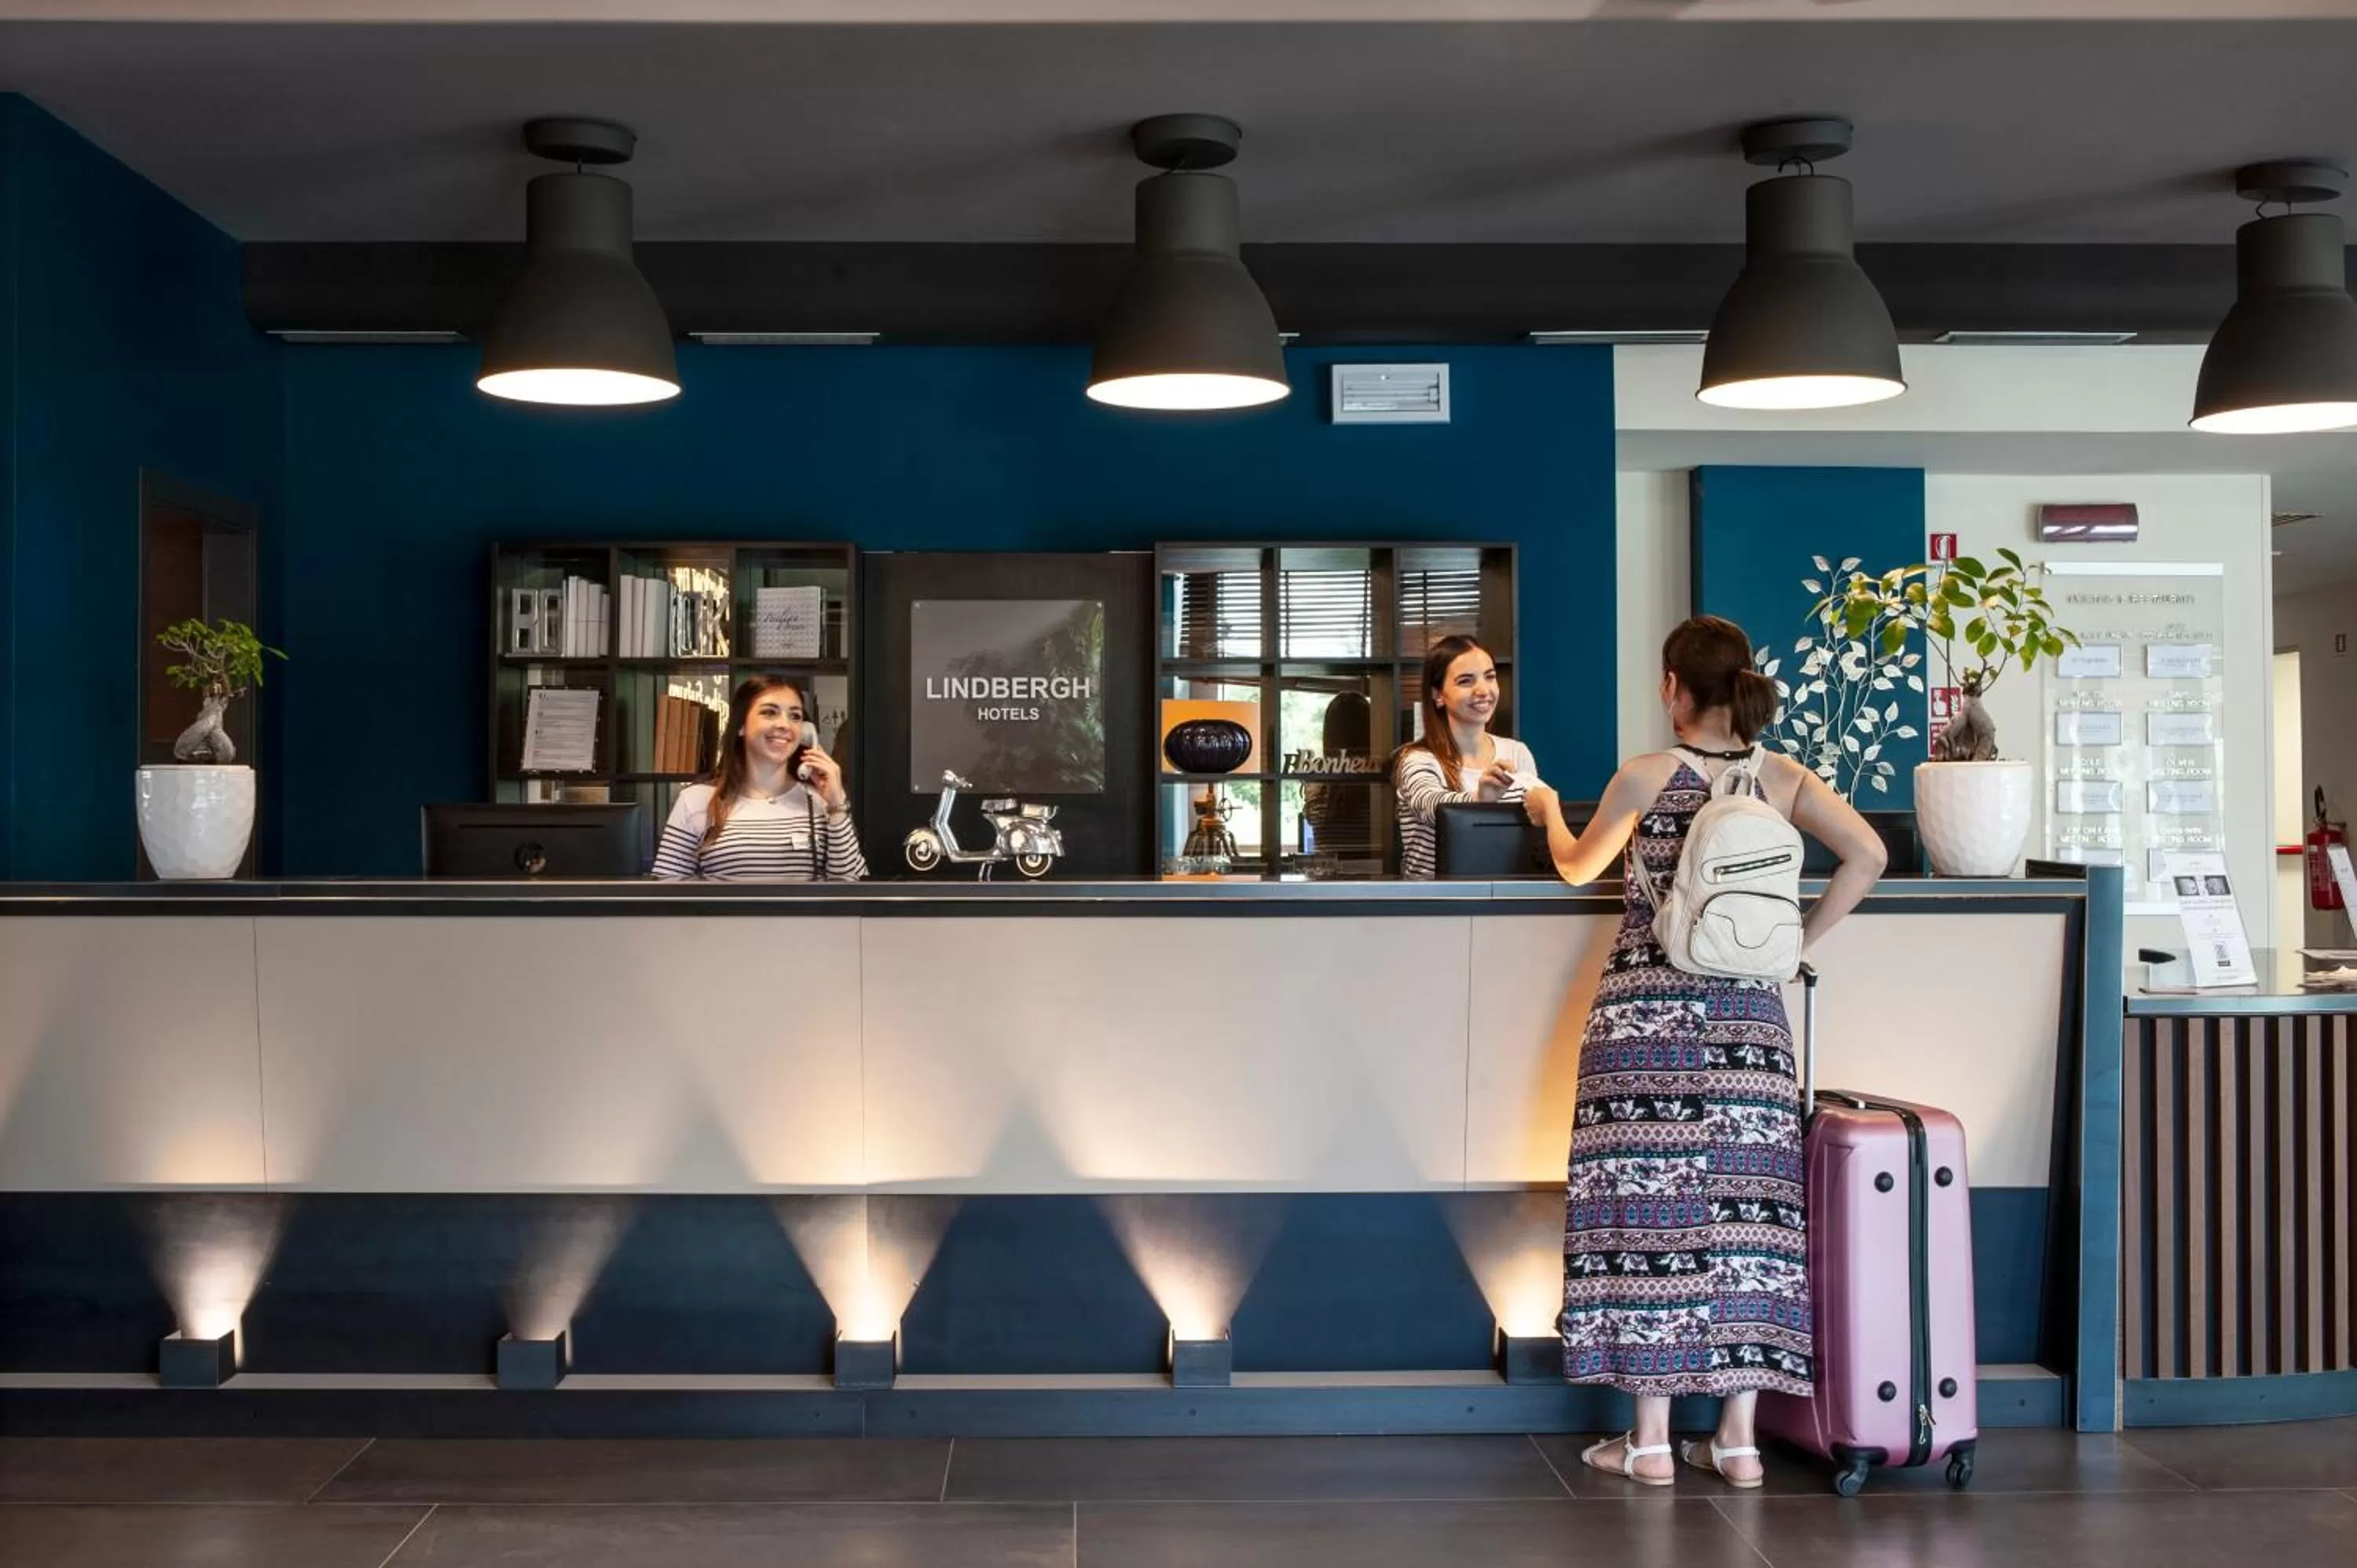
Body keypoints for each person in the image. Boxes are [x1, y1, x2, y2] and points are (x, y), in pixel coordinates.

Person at [1519, 614, 1886, 1488]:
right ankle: (1739, 1440)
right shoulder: (1786, 778)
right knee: (1746, 1220)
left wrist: (1542, 807)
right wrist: (1797, 942)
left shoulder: (1646, 777)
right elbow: (1867, 853)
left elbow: (1576, 866)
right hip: (1750, 1031)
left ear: (1672, 687)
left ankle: (1648, 1442)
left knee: (1651, 1220)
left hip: (1645, 1025)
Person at [651, 675, 867, 881]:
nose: (784, 725)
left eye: (795, 716)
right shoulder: (696, 801)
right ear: (741, 727)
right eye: (769, 713)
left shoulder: (820, 802)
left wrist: (837, 803)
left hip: (806, 920)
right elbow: (668, 893)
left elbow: (850, 886)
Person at [1393, 635, 1538, 879]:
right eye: (1465, 681)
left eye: (1489, 677)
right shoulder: (1417, 759)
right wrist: (1480, 799)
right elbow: (1432, 808)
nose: (1483, 690)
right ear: (1438, 695)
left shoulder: (1517, 752)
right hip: (1437, 907)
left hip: (1506, 903)